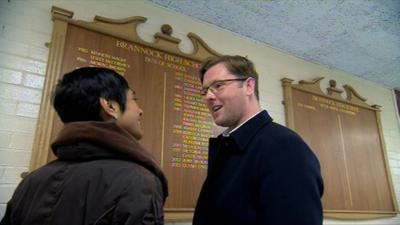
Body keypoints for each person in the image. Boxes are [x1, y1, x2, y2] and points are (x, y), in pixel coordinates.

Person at [0, 67, 168, 225]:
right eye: (134, 99)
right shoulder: (138, 181)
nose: (140, 110)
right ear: (110, 106)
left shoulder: (31, 181)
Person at [192, 55, 323, 225]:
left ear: (248, 86)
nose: (208, 96)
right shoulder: (228, 146)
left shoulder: (284, 147)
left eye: (218, 86)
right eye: (205, 91)